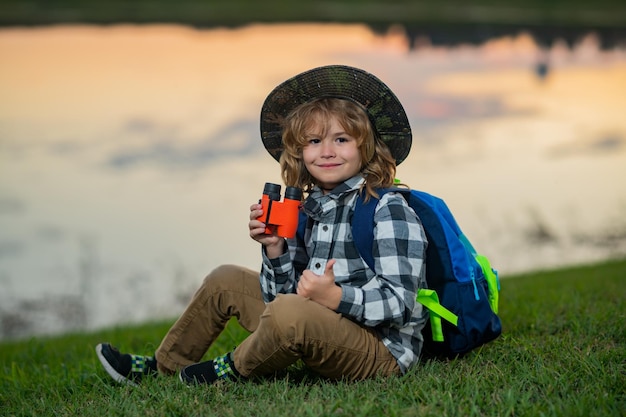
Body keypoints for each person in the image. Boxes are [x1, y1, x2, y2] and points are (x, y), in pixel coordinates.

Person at [96, 65, 428, 386]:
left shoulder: (387, 208)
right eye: (313, 142)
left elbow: (399, 305)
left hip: (379, 351)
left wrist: (335, 297)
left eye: (341, 140)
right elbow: (278, 300)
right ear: (299, 151)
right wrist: (275, 249)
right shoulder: (304, 209)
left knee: (291, 313)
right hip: (311, 326)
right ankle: (165, 367)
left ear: (365, 146)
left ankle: (232, 369)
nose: (326, 152)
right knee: (225, 279)